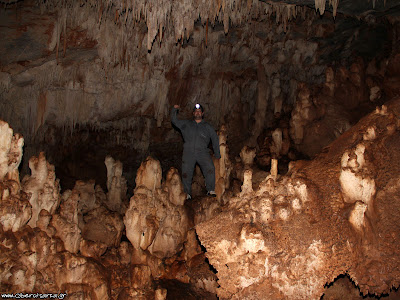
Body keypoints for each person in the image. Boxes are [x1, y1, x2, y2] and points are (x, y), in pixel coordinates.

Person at [171, 103, 221, 200]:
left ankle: (210, 189)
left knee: (210, 168)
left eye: (199, 111)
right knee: (186, 172)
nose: (198, 113)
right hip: (188, 152)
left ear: (202, 113)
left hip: (202, 152)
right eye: (196, 111)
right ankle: (187, 193)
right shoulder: (186, 124)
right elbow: (174, 121)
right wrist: (174, 110)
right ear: (193, 113)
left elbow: (215, 138)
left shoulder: (207, 126)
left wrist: (217, 153)